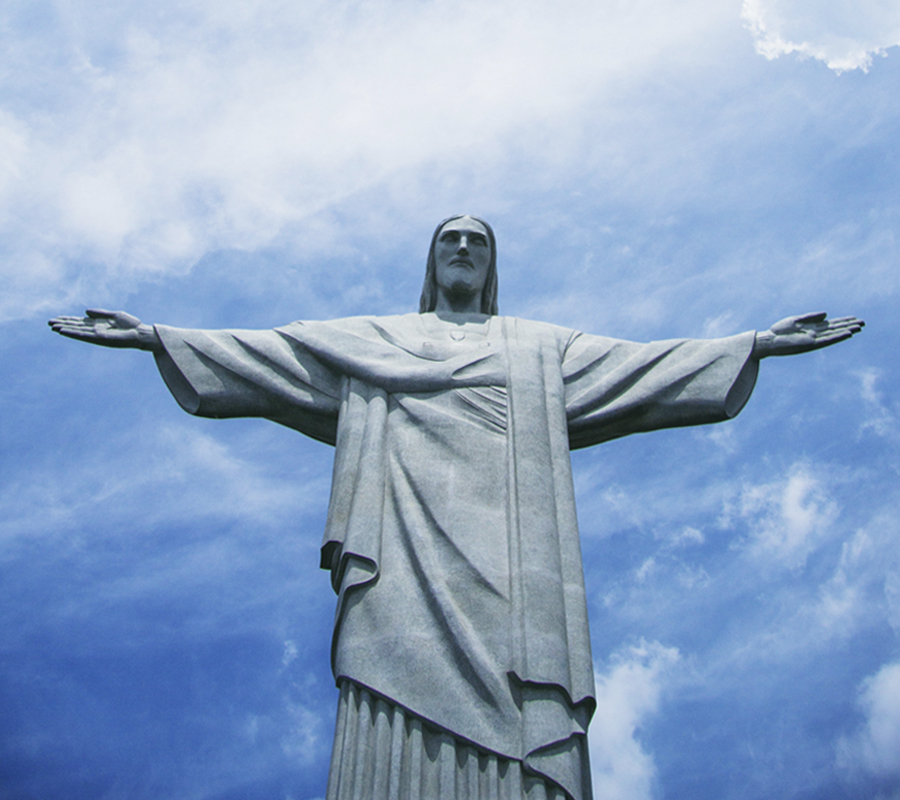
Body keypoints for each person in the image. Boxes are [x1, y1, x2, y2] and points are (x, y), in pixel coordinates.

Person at [49, 215, 863, 800]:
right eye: (450, 240)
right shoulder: (371, 343)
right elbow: (269, 355)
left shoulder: (538, 349)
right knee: (387, 697)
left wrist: (753, 344)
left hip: (515, 570)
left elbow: (644, 369)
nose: (464, 248)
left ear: (492, 265)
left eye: (478, 241)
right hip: (399, 563)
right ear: (433, 262)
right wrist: (156, 335)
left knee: (523, 706)